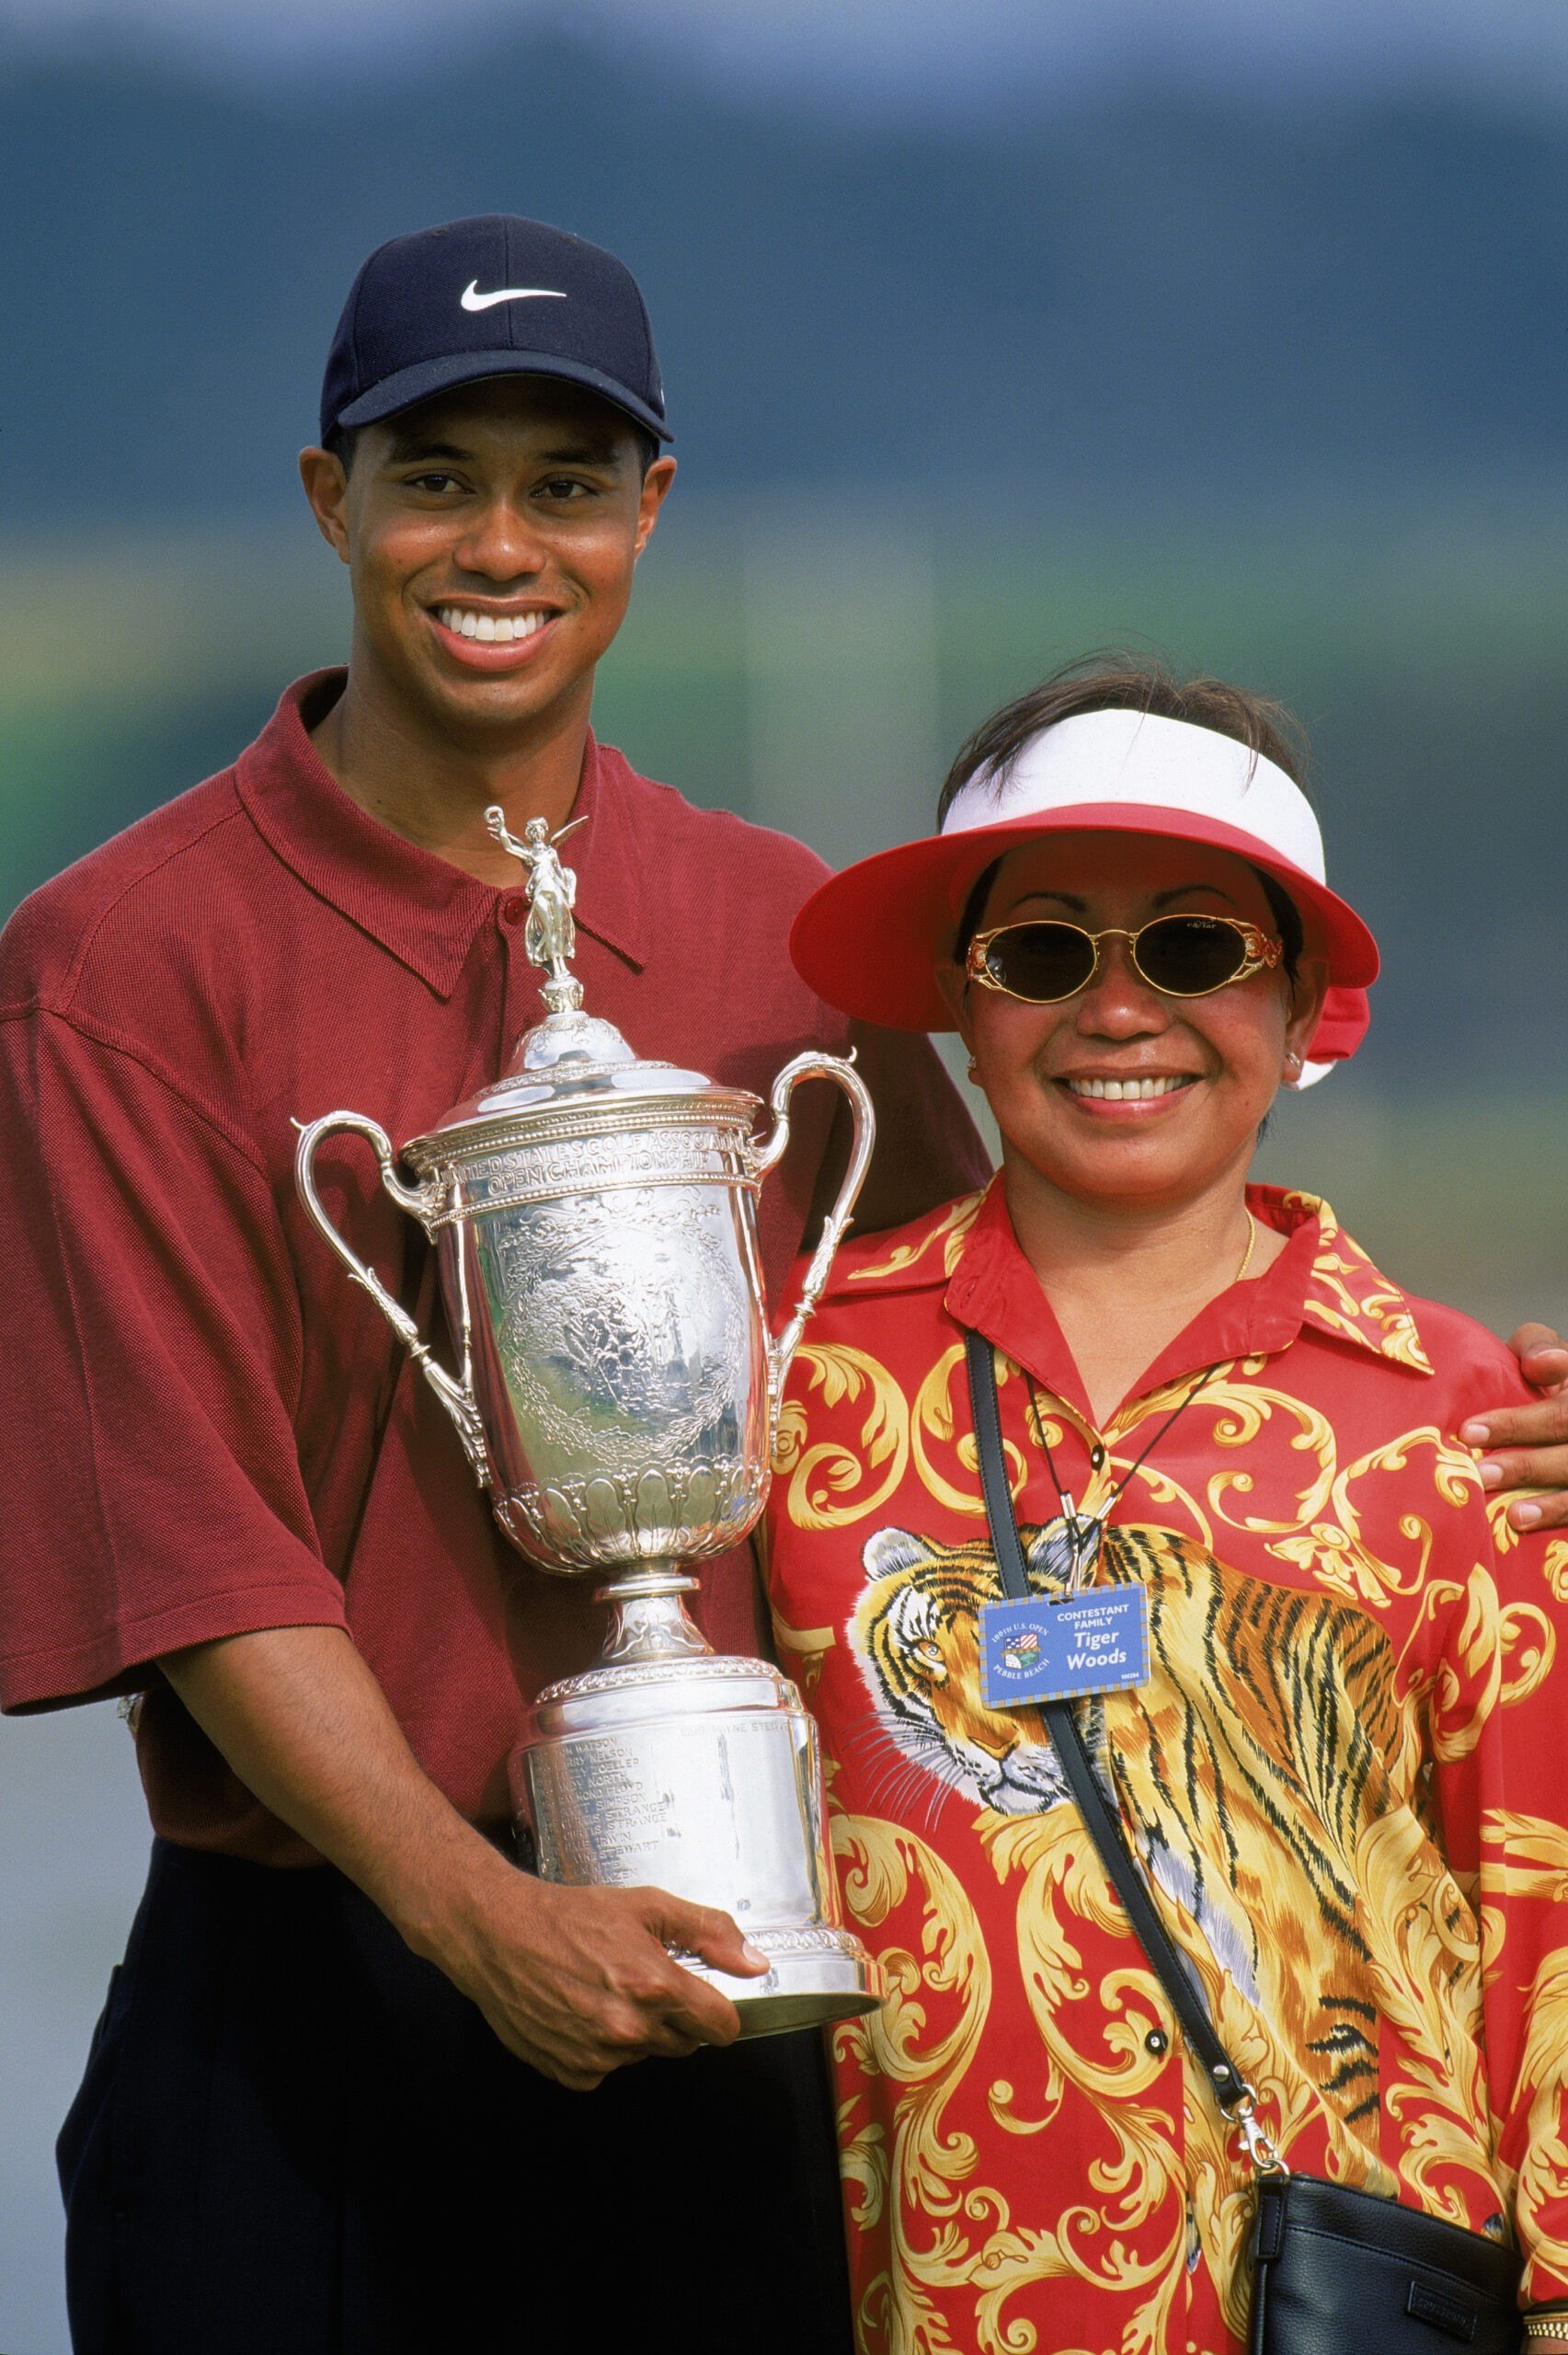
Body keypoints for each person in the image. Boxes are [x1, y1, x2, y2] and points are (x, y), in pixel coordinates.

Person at [0, 214, 991, 2355]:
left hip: (745, 1976)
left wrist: (1461, 1423)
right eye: (434, 472)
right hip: (312, 2019)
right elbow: (191, 1540)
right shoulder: (113, 965)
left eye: (563, 479)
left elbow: (993, 1391)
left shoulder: (783, 936)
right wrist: (479, 1918)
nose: (498, 539)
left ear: (649, 508)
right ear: (326, 495)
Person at [763, 659, 1568, 2355]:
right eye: (1042, 952)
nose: (1117, 1010)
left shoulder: (1467, 1419)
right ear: (959, 1011)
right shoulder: (788, 1388)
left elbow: (1545, 1939)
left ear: (1295, 1012)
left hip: (1355, 2308)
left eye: (1194, 949)